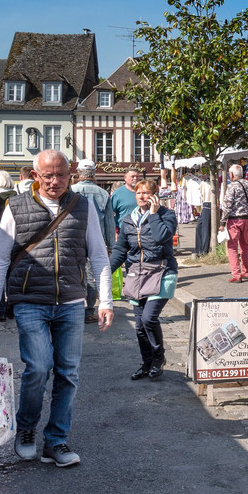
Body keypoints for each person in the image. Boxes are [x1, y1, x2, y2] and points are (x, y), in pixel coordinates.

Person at [0, 150, 114, 468]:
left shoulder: (83, 206)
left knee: (68, 374)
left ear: (72, 175)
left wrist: (105, 301)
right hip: (30, 302)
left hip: (69, 302)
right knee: (38, 369)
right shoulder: (17, 206)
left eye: (61, 175)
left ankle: (56, 440)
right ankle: (26, 429)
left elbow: (98, 254)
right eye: (48, 175)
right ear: (36, 175)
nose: (55, 181)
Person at [110, 178, 178, 380]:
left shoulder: (167, 215)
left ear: (155, 195)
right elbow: (122, 249)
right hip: (136, 275)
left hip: (161, 271)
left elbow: (161, 237)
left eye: (147, 193)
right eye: (139, 192)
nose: (142, 196)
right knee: (139, 325)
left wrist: (155, 214)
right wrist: (106, 271)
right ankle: (146, 362)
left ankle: (159, 358)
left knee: (149, 318)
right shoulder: (129, 219)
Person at [71, 160, 114, 323]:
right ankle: (89, 311)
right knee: (91, 276)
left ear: (78, 173)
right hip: (96, 239)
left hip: (73, 238)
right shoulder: (103, 193)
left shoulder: (70, 191)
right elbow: (110, 222)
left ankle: (72, 308)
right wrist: (110, 245)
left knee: (73, 274)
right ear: (94, 174)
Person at [220, 164, 248, 282]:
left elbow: (227, 205)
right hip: (246, 219)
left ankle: (236, 274)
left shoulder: (232, 187)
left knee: (232, 247)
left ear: (231, 174)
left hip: (234, 219)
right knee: (245, 246)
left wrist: (222, 221)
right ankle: (247, 272)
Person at [107, 167, 142, 235]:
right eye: (132, 176)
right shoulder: (118, 194)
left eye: (137, 176)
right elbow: (110, 214)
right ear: (125, 178)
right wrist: (114, 233)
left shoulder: (143, 192)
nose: (135, 178)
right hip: (124, 232)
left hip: (142, 231)